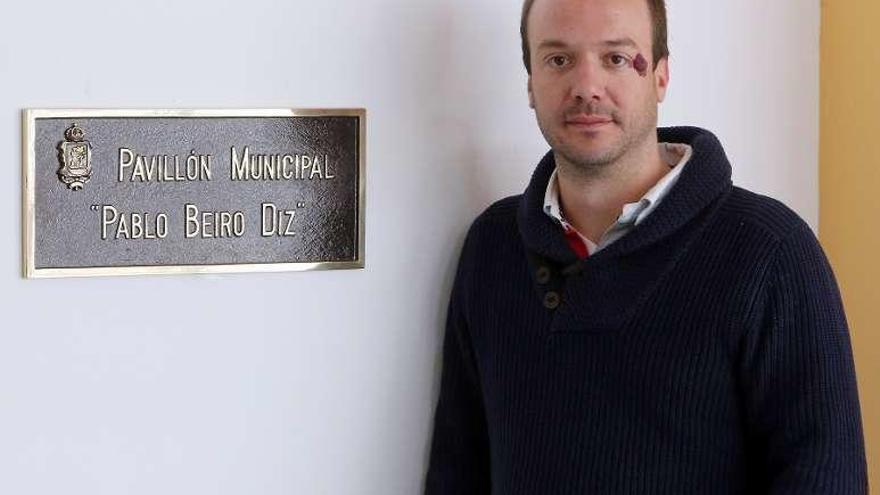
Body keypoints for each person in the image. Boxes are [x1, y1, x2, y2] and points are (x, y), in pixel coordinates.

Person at [423, 0, 868, 493]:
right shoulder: (493, 247)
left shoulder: (772, 253)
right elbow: (456, 470)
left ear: (660, 75)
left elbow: (827, 478)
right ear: (530, 84)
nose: (586, 87)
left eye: (616, 57)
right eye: (558, 59)